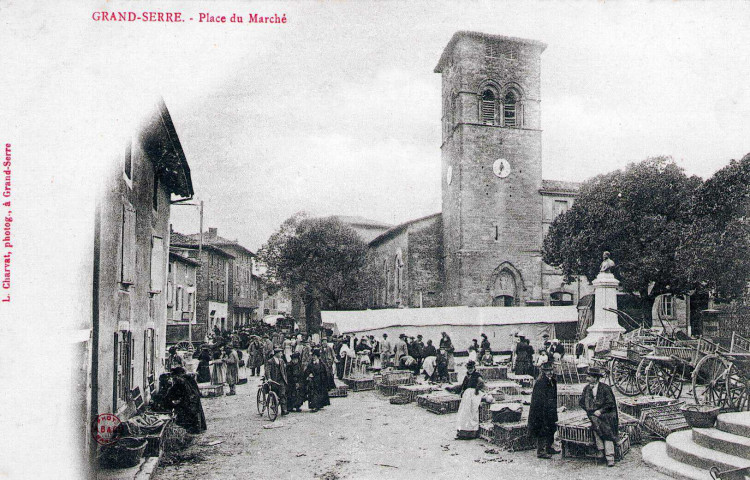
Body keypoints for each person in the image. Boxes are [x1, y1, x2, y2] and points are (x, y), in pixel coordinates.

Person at [579, 366, 619, 467]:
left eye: (589, 376)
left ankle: (609, 456)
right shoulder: (586, 388)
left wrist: (600, 411)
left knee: (606, 428)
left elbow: (610, 404)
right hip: (594, 415)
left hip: (608, 414)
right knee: (595, 424)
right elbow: (581, 402)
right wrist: (590, 411)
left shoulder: (605, 388)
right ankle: (601, 451)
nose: (587, 378)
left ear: (596, 378)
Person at [446, 360, 487, 439]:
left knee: (472, 414)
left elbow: (481, 383)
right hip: (466, 397)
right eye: (468, 368)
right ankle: (462, 433)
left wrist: (476, 389)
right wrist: (452, 389)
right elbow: (462, 386)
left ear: (474, 368)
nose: (470, 370)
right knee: (463, 414)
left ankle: (472, 433)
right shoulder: (466, 377)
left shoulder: (477, 375)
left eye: (471, 368)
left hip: (474, 395)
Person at [528, 363, 559, 459]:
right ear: (543, 371)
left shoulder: (553, 381)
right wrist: (542, 410)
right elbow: (538, 399)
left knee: (552, 427)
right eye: (547, 371)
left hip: (551, 409)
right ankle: (541, 451)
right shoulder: (540, 382)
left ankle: (549, 447)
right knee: (542, 428)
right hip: (541, 409)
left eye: (551, 370)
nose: (550, 372)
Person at [164, 367, 207, 434]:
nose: (174, 378)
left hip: (189, 400)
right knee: (196, 413)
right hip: (194, 398)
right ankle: (199, 428)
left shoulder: (180, 381)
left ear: (177, 375)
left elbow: (174, 392)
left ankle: (190, 429)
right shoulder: (189, 378)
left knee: (187, 413)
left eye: (174, 376)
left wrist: (170, 399)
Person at [265, 347, 289, 415]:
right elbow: (268, 371)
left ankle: (284, 410)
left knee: (282, 394)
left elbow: (284, 371)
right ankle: (274, 406)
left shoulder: (281, 361)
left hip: (281, 380)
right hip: (273, 380)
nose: (281, 354)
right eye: (280, 353)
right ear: (276, 353)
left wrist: (285, 378)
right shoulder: (270, 361)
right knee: (275, 393)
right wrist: (269, 378)